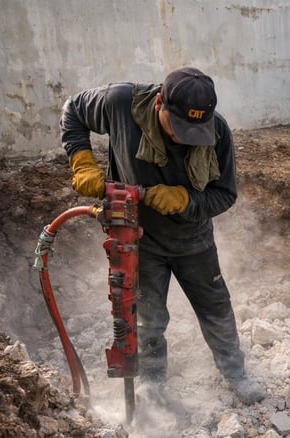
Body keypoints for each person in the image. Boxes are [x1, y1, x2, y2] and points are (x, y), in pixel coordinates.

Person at [60, 67, 265, 405]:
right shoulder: (121, 104)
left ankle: (235, 373)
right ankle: (153, 385)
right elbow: (73, 110)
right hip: (140, 240)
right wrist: (82, 162)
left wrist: (185, 201)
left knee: (216, 308)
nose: (186, 139)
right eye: (179, 127)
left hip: (194, 241)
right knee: (149, 319)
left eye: (195, 131)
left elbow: (225, 195)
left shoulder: (217, 131)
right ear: (159, 103)